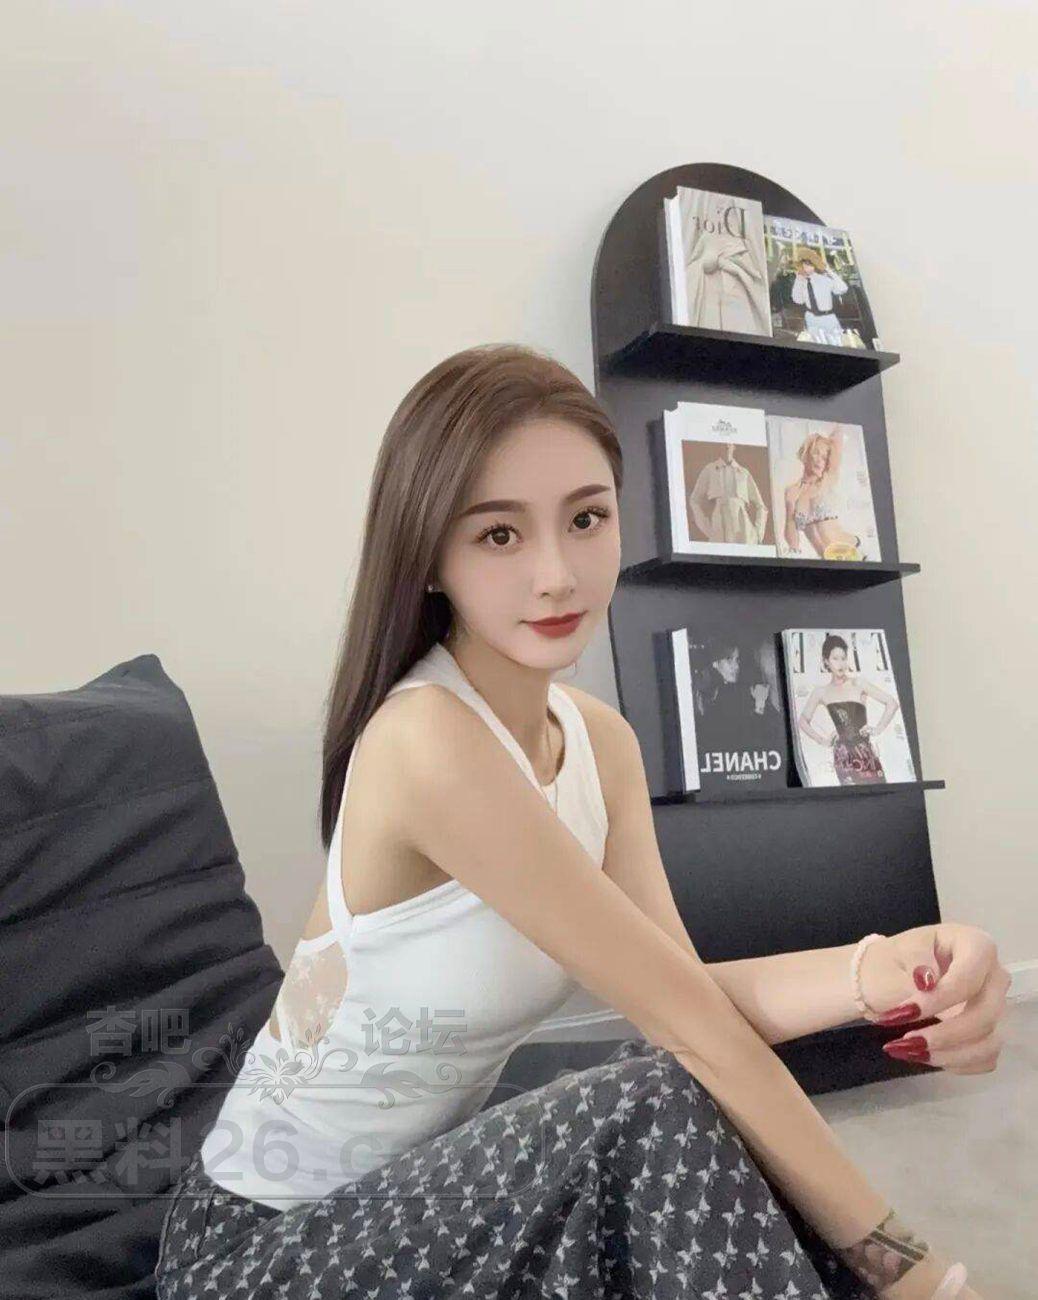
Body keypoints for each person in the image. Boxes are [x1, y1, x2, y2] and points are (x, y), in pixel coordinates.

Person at [155, 344, 984, 1299]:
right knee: (655, 1097)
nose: (557, 575)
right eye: (499, 535)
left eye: (586, 519)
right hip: (261, 1247)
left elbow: (684, 991)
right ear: (429, 557)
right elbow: (689, 1030)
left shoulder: (599, 743)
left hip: (425, 1201)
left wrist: (887, 970)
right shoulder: (427, 741)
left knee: (687, 1087)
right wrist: (914, 1272)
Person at [796, 634, 900, 785]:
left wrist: (877, 729)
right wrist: (823, 741)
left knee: (877, 793)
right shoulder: (821, 692)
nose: (841, 664)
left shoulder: (858, 683)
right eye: (835, 658)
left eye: (843, 658)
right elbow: (802, 721)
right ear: (826, 661)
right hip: (843, 757)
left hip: (865, 754)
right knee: (851, 797)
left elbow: (892, 703)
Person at [783, 423, 864, 560]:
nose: (820, 461)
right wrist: (790, 504)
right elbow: (793, 542)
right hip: (829, 561)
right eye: (816, 453)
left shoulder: (827, 480)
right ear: (806, 454)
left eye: (825, 457)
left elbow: (839, 433)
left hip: (855, 552)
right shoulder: (792, 491)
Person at [688, 440, 769, 545]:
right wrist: (707, 528)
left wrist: (758, 533)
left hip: (743, 529)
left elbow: (761, 506)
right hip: (720, 527)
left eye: (730, 442)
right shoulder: (710, 470)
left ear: (734, 446)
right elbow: (694, 500)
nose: (727, 445)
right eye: (723, 442)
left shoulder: (744, 473)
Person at [791, 251, 850, 345]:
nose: (805, 268)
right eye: (803, 265)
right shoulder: (801, 281)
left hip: (828, 317)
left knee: (836, 344)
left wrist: (829, 271)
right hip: (811, 317)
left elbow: (842, 289)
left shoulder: (824, 279)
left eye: (808, 265)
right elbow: (798, 300)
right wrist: (798, 280)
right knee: (817, 345)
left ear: (814, 265)